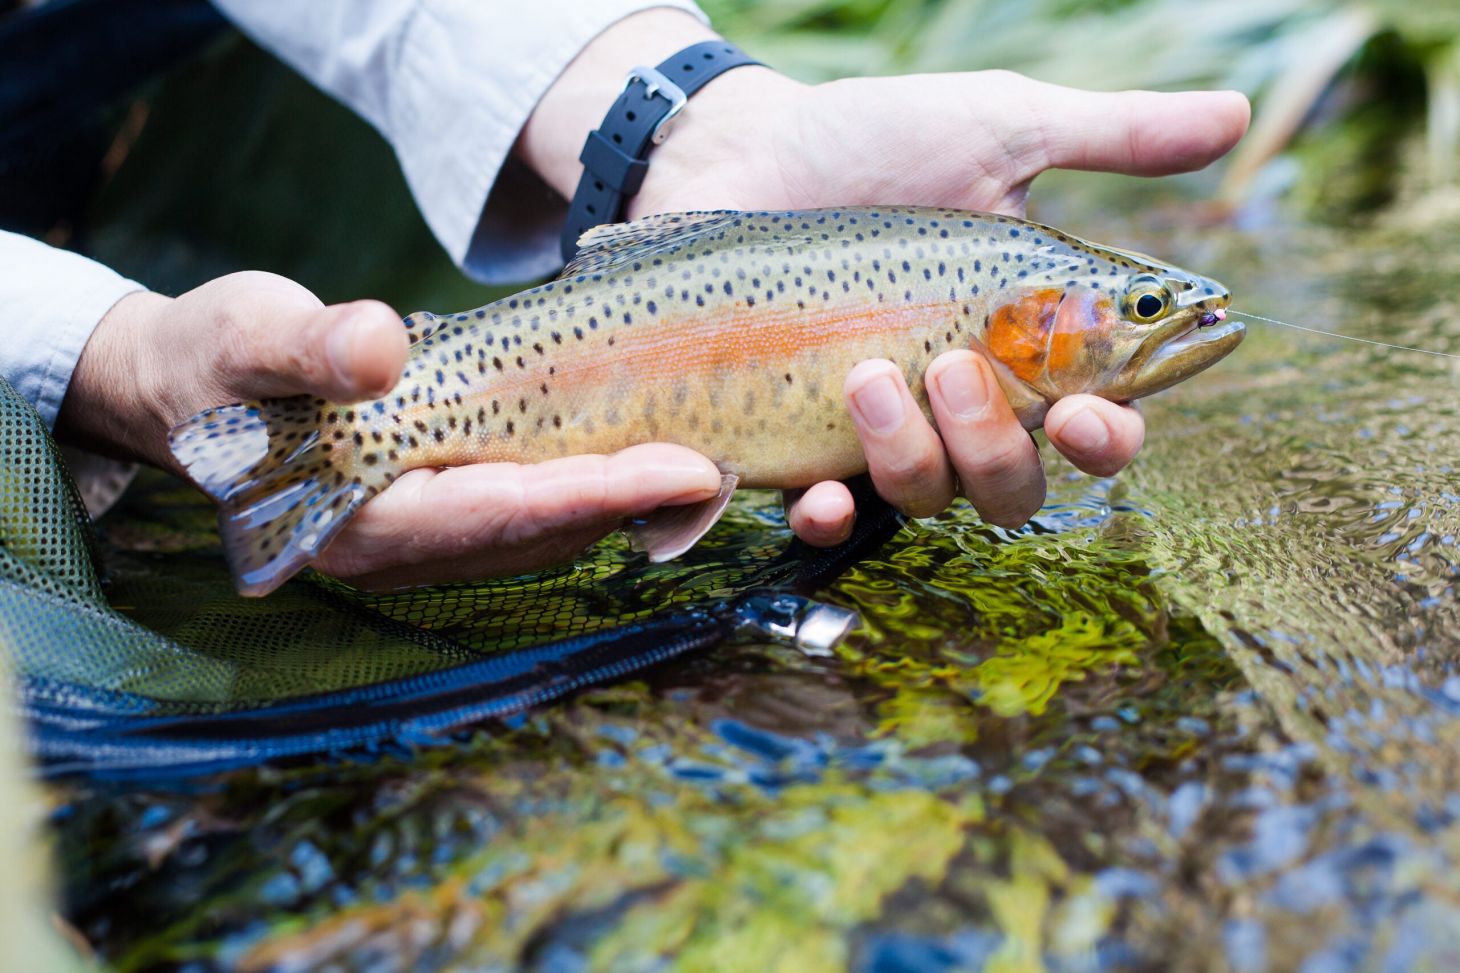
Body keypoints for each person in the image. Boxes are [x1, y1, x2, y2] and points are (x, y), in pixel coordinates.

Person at [2, 2, 1250, 590]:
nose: (1163, 320)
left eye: (1139, 311)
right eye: (1140, 310)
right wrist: (109, 355)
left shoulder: (985, 288)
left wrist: (682, 121)